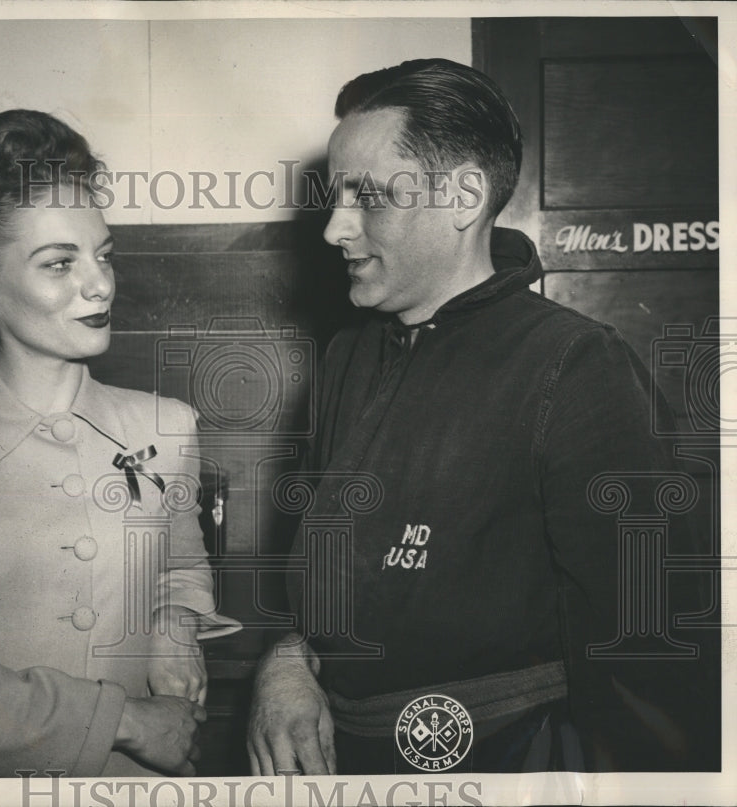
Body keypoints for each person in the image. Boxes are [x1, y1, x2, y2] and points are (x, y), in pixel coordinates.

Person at [247, 59, 717, 774]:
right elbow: (319, 576)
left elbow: (654, 648)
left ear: (463, 195)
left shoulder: (576, 363)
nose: (335, 228)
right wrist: (286, 661)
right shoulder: (346, 355)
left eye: (367, 197)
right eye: (334, 196)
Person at [0, 109, 238, 778]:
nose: (100, 283)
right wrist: (126, 720)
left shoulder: (166, 426)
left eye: (103, 254)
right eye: (60, 263)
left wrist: (177, 628)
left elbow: (180, 568)